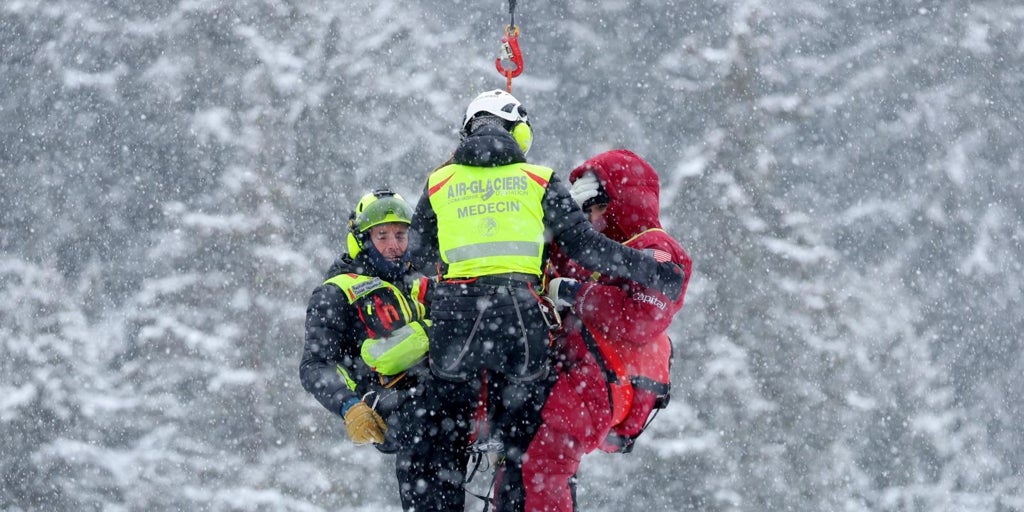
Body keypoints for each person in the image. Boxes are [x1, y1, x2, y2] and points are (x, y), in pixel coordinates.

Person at [403, 90, 687, 512]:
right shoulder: (536, 179)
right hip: (521, 328)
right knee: (528, 446)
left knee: (440, 437)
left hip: (455, 324)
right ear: (517, 131)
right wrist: (643, 269)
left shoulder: (440, 182)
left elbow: (419, 257)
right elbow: (587, 245)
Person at [521, 149, 692, 511]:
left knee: (545, 464)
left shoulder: (657, 250)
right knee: (526, 456)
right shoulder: (595, 252)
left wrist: (573, 293)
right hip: (585, 374)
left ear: (623, 202)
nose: (592, 221)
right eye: (585, 213)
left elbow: (642, 316)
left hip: (605, 379)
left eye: (597, 208)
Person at [299, 188, 434, 510]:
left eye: (401, 235)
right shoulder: (336, 292)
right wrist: (348, 406)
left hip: (447, 402)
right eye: (382, 236)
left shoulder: (423, 281)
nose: (393, 246)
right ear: (362, 239)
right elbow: (315, 365)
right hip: (398, 412)